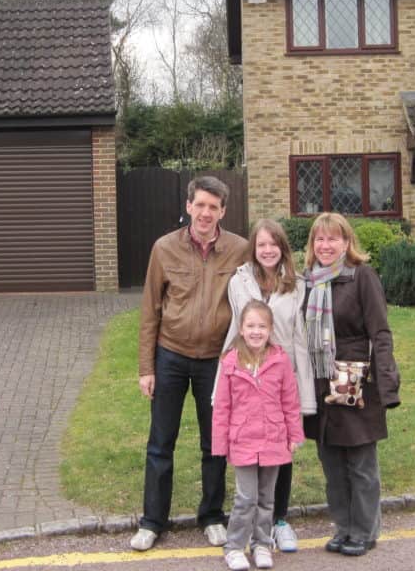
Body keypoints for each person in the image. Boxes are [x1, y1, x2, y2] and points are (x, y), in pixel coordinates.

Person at [131, 175, 248, 552]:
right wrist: (146, 368)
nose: (205, 213)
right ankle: (153, 521)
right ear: (188, 206)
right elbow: (150, 311)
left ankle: (212, 516)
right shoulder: (164, 249)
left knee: (214, 443)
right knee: (161, 442)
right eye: (199, 204)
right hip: (170, 356)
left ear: (223, 211)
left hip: (216, 360)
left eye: (213, 207)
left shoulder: (239, 250)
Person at [301, 212, 400, 557]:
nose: (326, 246)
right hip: (318, 381)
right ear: (313, 245)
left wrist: (386, 383)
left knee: (360, 463)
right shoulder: (308, 282)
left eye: (333, 239)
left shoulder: (362, 277)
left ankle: (365, 530)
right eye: (320, 239)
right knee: (332, 463)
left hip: (355, 382)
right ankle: (343, 528)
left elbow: (380, 332)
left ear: (347, 243)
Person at [221, 218, 316, 552]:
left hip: (282, 375)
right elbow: (236, 326)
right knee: (248, 448)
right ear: (254, 248)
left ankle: (278, 521)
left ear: (282, 248)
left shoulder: (297, 284)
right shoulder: (239, 282)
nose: (267, 250)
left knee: (281, 450)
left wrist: (304, 389)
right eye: (261, 244)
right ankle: (246, 528)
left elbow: (300, 337)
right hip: (247, 373)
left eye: (273, 244)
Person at [212, 300, 305, 571]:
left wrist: (294, 434)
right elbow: (222, 408)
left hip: (274, 439)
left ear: (270, 329)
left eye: (262, 326)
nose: (256, 331)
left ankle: (262, 543)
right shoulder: (230, 362)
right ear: (241, 329)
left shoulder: (280, 359)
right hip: (242, 441)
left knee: (267, 498)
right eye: (250, 326)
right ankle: (234, 546)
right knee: (246, 498)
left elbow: (290, 400)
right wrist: (221, 443)